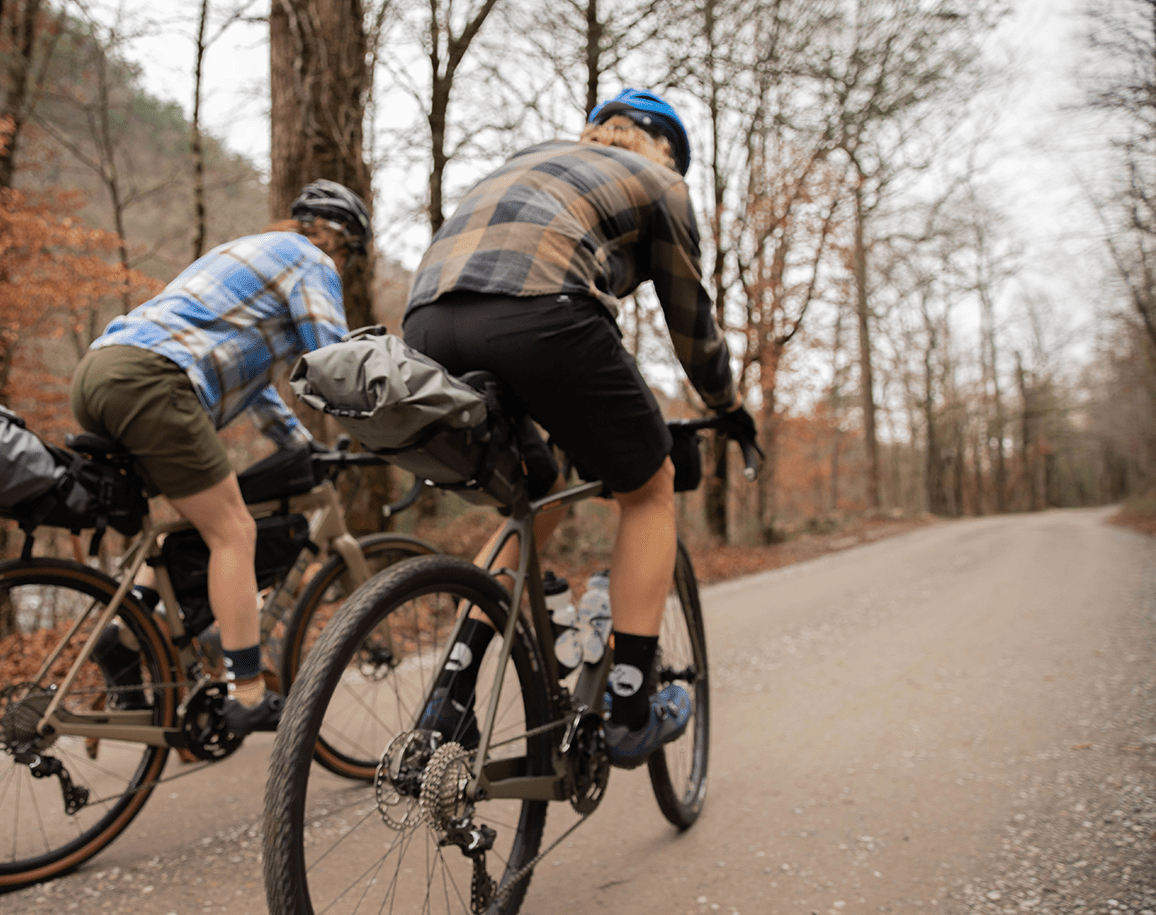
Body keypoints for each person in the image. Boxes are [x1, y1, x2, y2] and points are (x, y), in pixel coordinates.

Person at [402, 89, 758, 767]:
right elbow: (691, 321)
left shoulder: (530, 158)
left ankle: (447, 698)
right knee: (649, 489)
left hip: (426, 323)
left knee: (533, 494)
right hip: (543, 310)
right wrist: (727, 403)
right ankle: (630, 707)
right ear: (661, 146)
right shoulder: (662, 181)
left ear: (598, 131)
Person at [71, 179, 371, 737]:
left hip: (100, 373)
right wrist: (381, 430)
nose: (345, 265)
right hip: (151, 381)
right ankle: (249, 693)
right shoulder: (309, 259)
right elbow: (337, 360)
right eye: (349, 252)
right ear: (333, 234)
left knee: (171, 533)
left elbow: (254, 388)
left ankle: (128, 633)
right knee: (233, 532)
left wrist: (302, 448)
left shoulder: (247, 254)